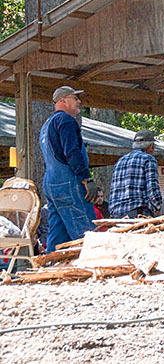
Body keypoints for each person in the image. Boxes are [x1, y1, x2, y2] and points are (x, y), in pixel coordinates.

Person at [39, 86, 99, 253]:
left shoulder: (46, 126)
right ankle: (94, 264)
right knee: (85, 229)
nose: (79, 102)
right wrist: (87, 179)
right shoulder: (65, 120)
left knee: (58, 232)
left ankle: (50, 266)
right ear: (62, 101)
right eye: (75, 98)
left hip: (51, 184)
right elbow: (72, 152)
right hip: (68, 182)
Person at [108, 129, 162, 218]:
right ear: (151, 146)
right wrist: (161, 208)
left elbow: (113, 191)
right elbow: (152, 188)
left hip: (117, 214)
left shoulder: (120, 161)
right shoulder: (148, 159)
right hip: (138, 213)